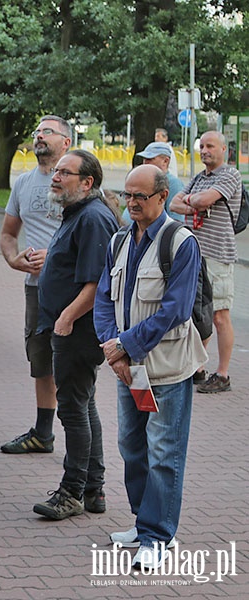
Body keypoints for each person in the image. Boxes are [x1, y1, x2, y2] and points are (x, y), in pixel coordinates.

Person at [94, 164, 207, 570]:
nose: (132, 203)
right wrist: (114, 348)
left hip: (167, 369)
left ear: (162, 196)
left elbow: (175, 311)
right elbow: (104, 298)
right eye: (127, 195)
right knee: (132, 445)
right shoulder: (119, 240)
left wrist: (124, 345)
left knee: (164, 451)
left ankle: (159, 536)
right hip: (131, 369)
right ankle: (144, 525)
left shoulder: (181, 242)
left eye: (140, 196)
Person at [32, 150, 119, 520]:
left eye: (65, 173)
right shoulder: (79, 213)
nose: (55, 176)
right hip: (72, 327)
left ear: (87, 182)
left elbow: (96, 281)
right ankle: (93, 489)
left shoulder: (94, 218)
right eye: (56, 171)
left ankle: (72, 491)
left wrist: (66, 317)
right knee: (83, 404)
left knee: (72, 409)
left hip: (79, 330)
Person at [0, 115, 72, 455]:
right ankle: (43, 433)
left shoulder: (79, 182)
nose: (39, 136)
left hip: (72, 288)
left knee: (72, 361)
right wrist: (13, 259)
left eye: (48, 132)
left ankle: (79, 437)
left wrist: (55, 256)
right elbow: (8, 234)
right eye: (37, 132)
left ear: (66, 142)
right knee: (40, 359)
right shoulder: (24, 183)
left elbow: (97, 234)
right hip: (36, 288)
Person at [170, 130, 242, 393]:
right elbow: (174, 205)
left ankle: (222, 374)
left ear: (225, 150)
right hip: (195, 254)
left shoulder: (230, 175)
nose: (204, 151)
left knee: (219, 315)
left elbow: (204, 200)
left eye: (210, 146)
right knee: (196, 313)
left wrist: (193, 202)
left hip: (218, 253)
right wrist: (194, 203)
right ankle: (197, 368)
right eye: (202, 146)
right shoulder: (199, 178)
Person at [122, 142, 184, 225]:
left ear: (165, 161)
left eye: (150, 159)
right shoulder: (140, 180)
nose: (145, 162)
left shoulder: (173, 184)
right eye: (144, 159)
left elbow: (176, 218)